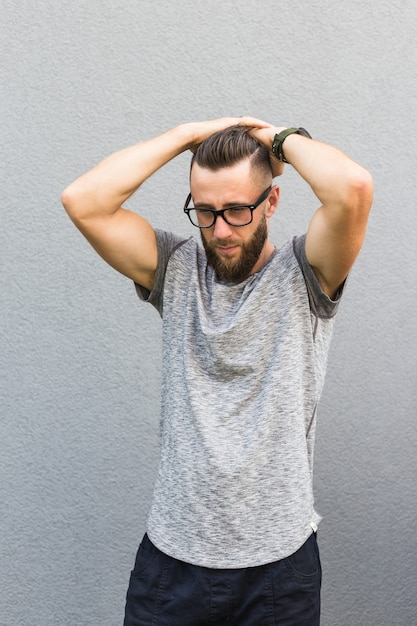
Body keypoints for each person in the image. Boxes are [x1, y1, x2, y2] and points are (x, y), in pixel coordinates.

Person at [62, 116, 373, 625]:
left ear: (271, 201)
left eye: (236, 209)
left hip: (279, 570)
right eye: (204, 212)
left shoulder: (307, 272)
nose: (221, 230)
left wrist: (276, 139)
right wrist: (188, 136)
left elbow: (353, 189)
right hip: (171, 562)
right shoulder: (175, 267)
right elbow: (83, 200)